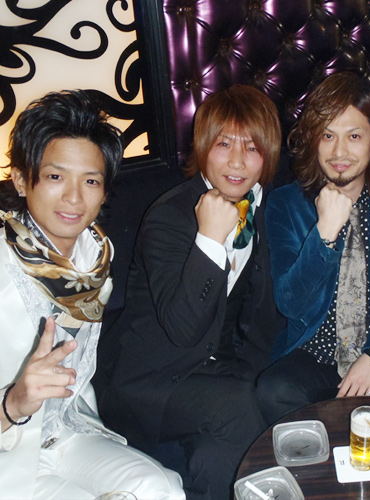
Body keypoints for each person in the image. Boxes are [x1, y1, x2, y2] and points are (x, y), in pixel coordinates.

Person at [97, 85, 284, 500]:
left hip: (217, 370)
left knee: (222, 452)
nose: (238, 161)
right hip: (150, 380)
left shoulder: (264, 207)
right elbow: (183, 329)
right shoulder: (168, 217)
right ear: (202, 146)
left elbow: (257, 309)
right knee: (235, 407)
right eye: (224, 144)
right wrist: (210, 239)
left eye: (252, 147)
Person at [0, 90, 184, 499]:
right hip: (7, 448)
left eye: (91, 181)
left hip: (66, 432)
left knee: (161, 488)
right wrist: (13, 402)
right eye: (55, 177)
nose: (74, 197)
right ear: (21, 179)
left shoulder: (95, 258)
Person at [256, 72, 370, 424]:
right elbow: (290, 303)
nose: (339, 152)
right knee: (273, 391)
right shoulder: (285, 204)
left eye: (354, 136)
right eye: (327, 135)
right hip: (316, 349)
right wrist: (324, 234)